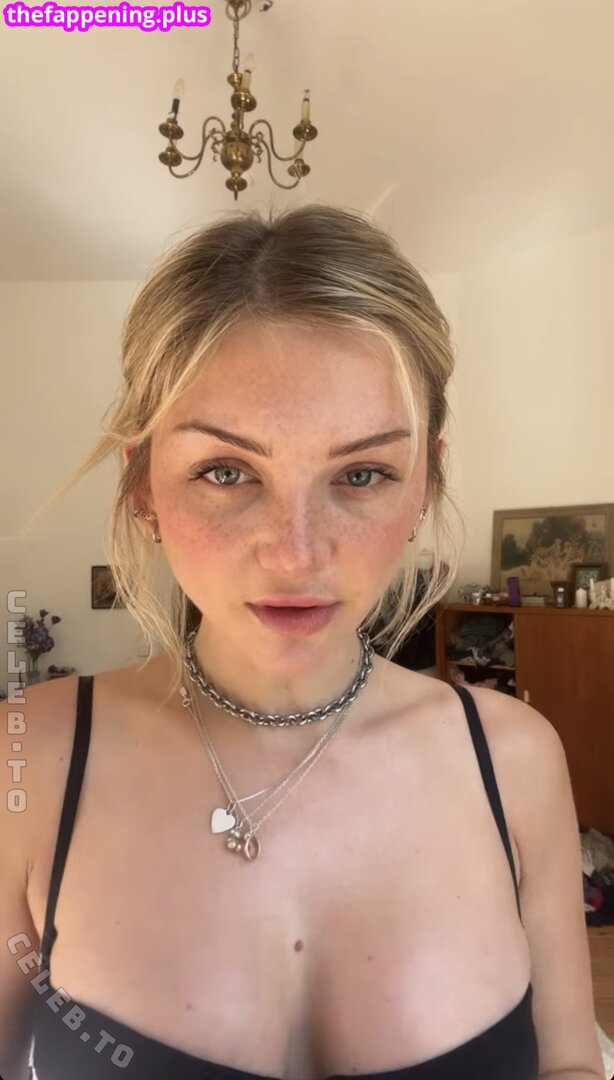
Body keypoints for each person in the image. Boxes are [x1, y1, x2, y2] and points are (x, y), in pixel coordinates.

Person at [1, 205, 605, 1080]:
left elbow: (569, 1064)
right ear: (143, 488)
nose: (295, 553)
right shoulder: (27, 761)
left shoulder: (514, 760)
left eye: (362, 474)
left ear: (425, 484)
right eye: (226, 472)